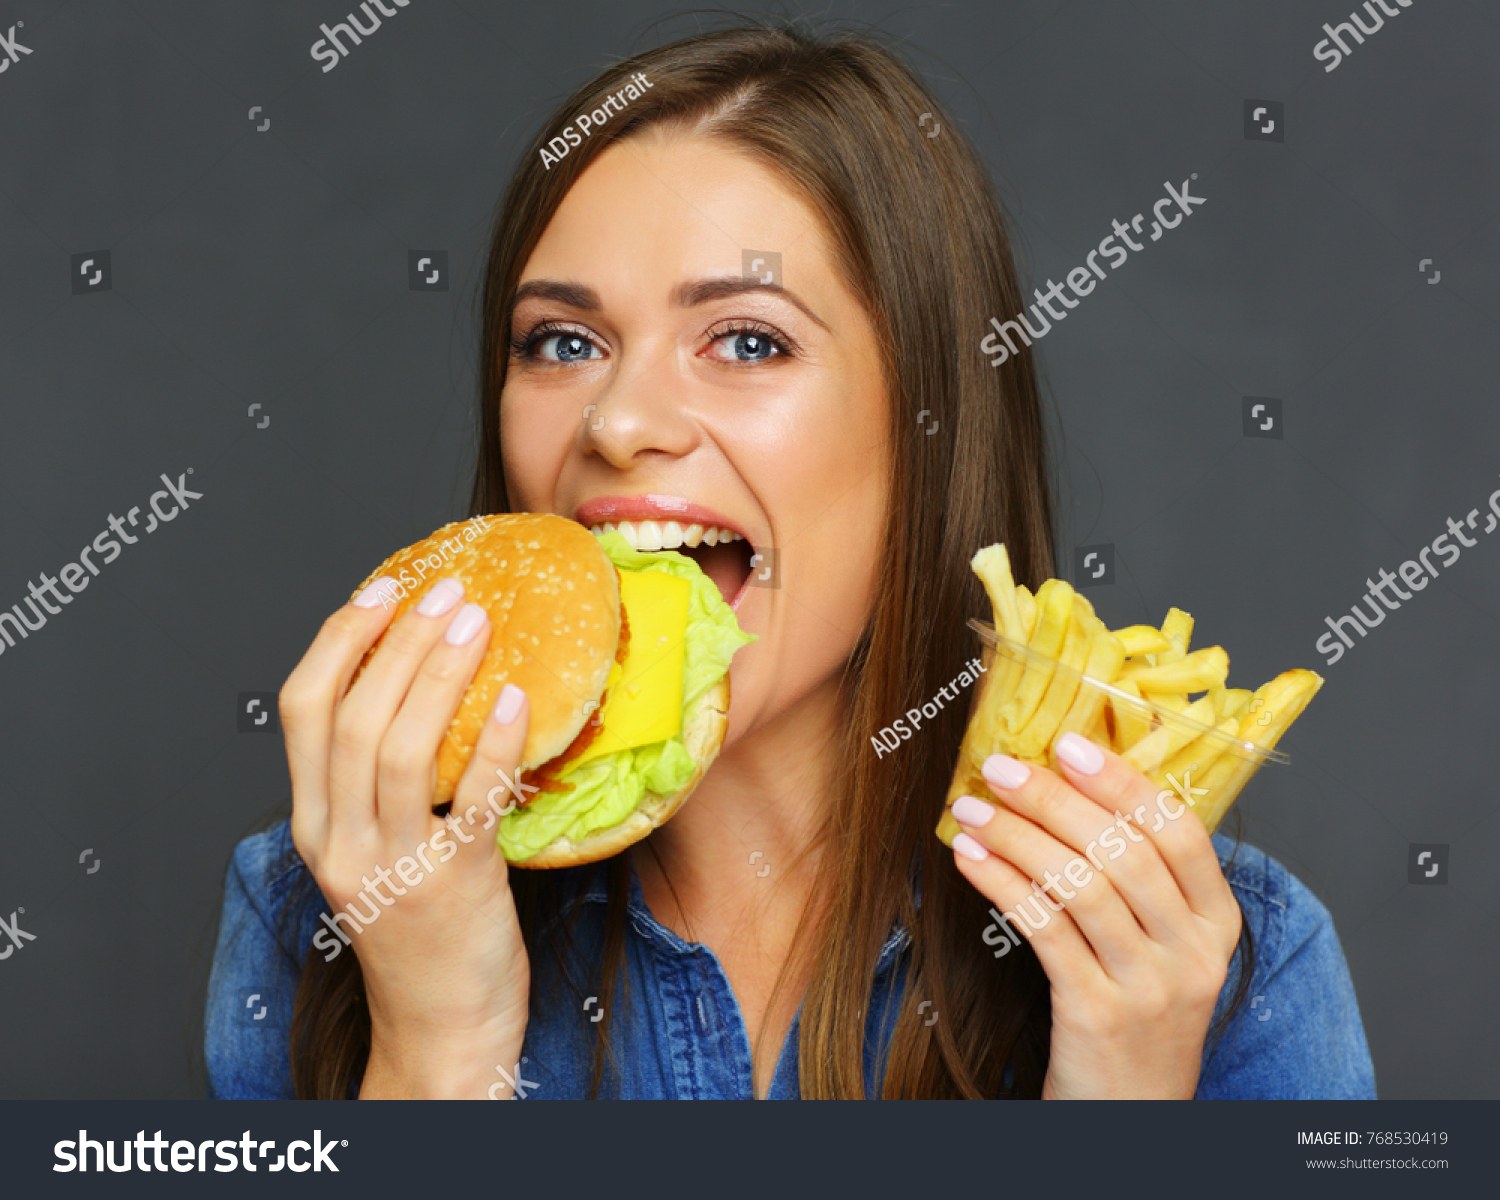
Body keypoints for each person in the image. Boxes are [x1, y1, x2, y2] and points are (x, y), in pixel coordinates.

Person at [206, 22, 1375, 1100]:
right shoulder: (323, 912)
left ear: (927, 423)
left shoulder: (1219, 960)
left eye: (748, 340)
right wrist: (439, 1044)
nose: (617, 420)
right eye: (563, 342)